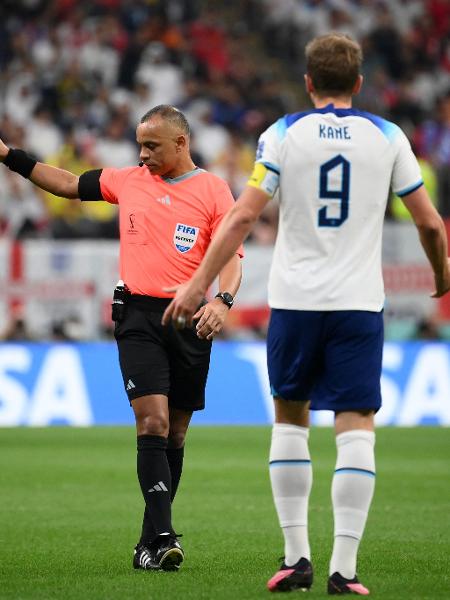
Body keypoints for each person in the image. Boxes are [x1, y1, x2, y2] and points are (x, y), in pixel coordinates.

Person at [162, 34, 450, 594]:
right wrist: (442, 275)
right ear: (359, 84)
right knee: (356, 427)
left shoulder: (283, 133)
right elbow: (431, 223)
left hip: (295, 302)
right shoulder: (388, 136)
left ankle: (297, 559)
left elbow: (244, 216)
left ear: (308, 83)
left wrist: (199, 282)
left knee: (290, 421)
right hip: (358, 304)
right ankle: (345, 570)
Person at [0, 104, 242, 572]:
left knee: (175, 431)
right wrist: (9, 155)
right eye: (139, 144)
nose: (142, 154)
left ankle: (148, 542)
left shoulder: (213, 190)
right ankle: (166, 535)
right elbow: (68, 184)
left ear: (181, 143)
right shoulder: (127, 180)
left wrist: (222, 301)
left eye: (152, 146)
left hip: (191, 319)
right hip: (138, 315)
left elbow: (231, 254)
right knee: (151, 422)